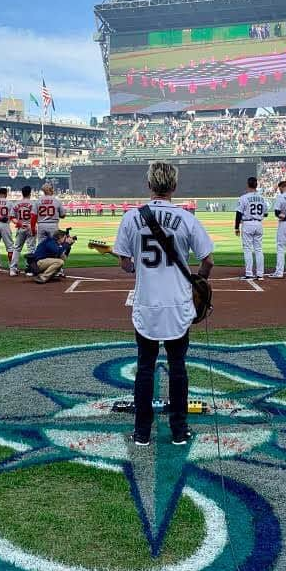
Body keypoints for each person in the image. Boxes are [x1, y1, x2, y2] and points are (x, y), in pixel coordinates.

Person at [113, 162, 214, 447]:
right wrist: (198, 281)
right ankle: (179, 431)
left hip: (146, 304)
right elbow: (208, 260)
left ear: (149, 185)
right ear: (174, 187)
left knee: (145, 367)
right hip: (179, 303)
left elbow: (125, 264)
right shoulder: (186, 218)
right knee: (178, 367)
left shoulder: (132, 218)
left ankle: (142, 432)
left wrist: (136, 267)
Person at [235, 176, 266, 280]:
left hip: (248, 224)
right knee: (259, 249)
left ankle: (249, 273)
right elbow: (265, 214)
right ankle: (260, 274)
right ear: (256, 185)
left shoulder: (243, 197)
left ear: (248, 185)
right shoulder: (262, 198)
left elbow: (238, 213)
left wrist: (236, 227)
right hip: (259, 223)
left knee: (247, 249)